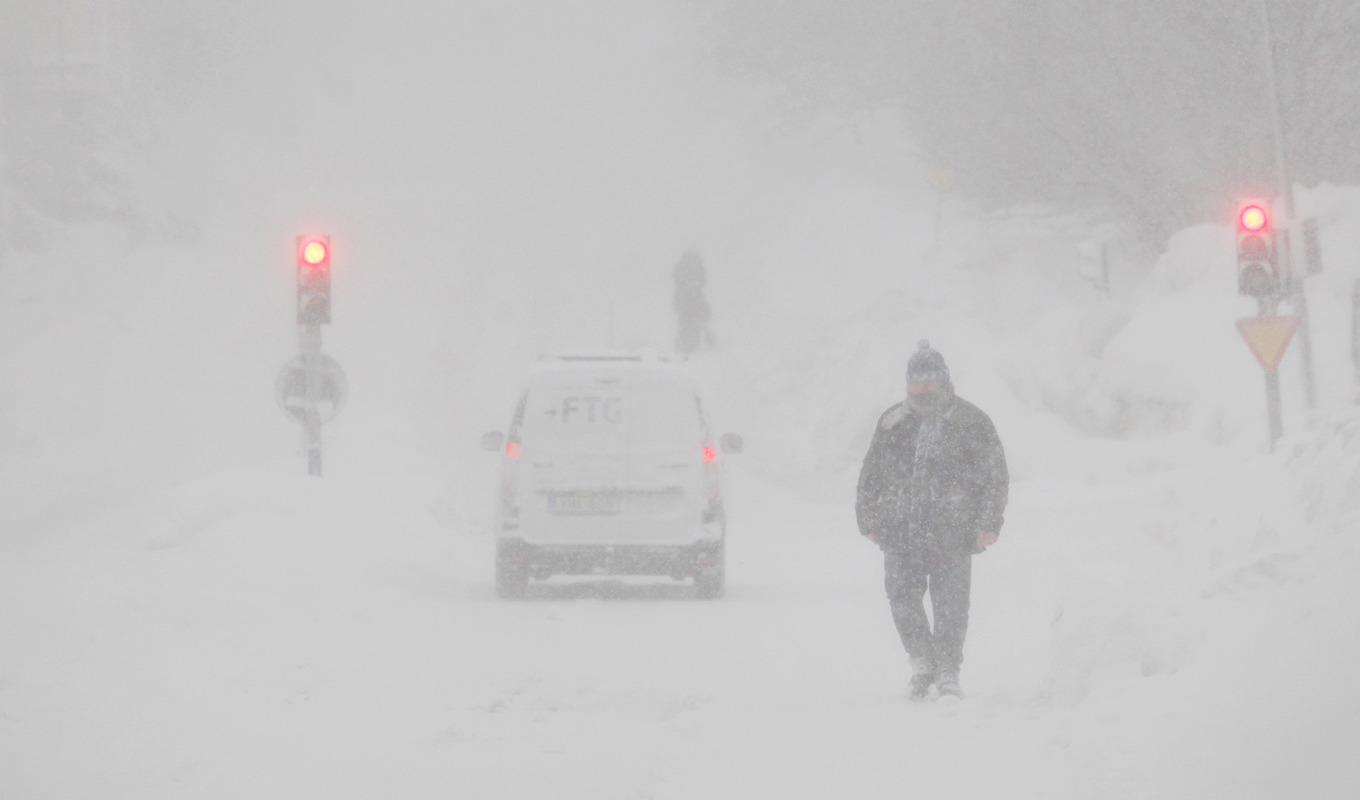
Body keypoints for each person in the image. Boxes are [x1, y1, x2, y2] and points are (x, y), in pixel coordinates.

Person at [856, 340, 1009, 699]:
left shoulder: (971, 421)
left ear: (944, 380)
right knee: (902, 601)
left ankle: (948, 670)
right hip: (899, 531)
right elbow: (871, 473)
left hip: (953, 532)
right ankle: (922, 661)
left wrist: (989, 522)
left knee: (952, 606)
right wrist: (867, 519)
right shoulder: (892, 422)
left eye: (930, 381)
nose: (924, 389)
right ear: (908, 384)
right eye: (917, 382)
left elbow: (994, 475)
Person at [672, 248, 712, 354]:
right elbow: (702, 282)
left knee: (685, 322)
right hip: (693, 299)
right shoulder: (697, 267)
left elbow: (676, 279)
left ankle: (683, 346)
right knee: (693, 323)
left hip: (685, 299)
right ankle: (690, 347)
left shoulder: (682, 266)